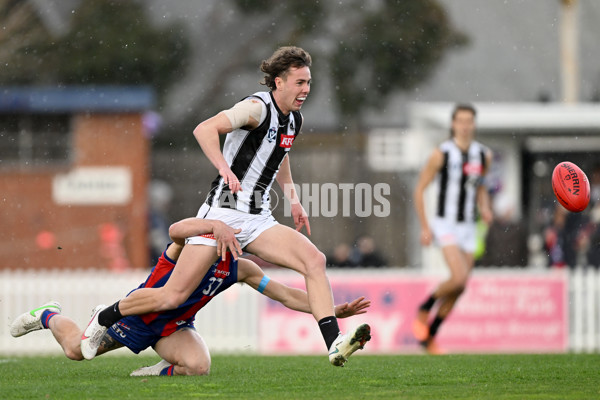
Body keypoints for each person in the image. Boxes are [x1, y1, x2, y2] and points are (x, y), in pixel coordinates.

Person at [80, 46, 371, 367]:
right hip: (222, 212)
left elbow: (280, 154)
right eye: (300, 82)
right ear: (278, 82)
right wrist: (223, 167)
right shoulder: (255, 109)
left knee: (314, 260)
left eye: (309, 83)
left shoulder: (294, 121)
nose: (306, 90)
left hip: (258, 217)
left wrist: (294, 199)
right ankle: (106, 315)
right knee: (172, 296)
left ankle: (334, 343)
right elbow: (204, 129)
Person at [10, 218, 371, 376]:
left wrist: (332, 310)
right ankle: (48, 315)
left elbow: (286, 296)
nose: (241, 241)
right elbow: (175, 230)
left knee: (199, 368)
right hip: (141, 316)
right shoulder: (193, 246)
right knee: (76, 351)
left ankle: (159, 368)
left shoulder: (240, 267)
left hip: (175, 326)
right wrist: (212, 225)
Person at [412, 103, 493, 354]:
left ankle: (429, 338)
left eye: (470, 121)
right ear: (453, 124)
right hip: (445, 223)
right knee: (458, 278)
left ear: (474, 124)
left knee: (461, 286)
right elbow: (419, 189)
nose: (465, 126)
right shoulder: (442, 153)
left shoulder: (483, 155)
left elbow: (479, 186)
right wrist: (425, 227)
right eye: (461, 121)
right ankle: (424, 307)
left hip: (469, 225)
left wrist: (485, 206)